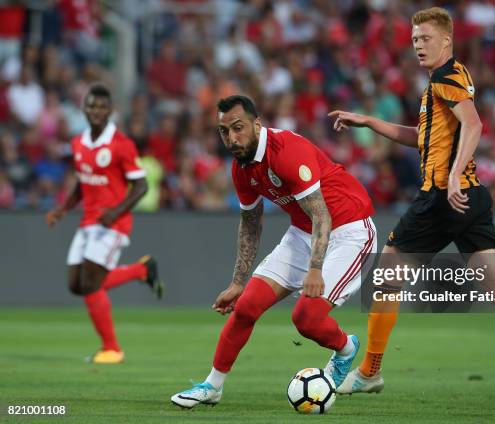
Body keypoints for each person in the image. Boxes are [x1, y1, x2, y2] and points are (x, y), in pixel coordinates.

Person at [328, 7, 495, 398]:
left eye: (425, 39)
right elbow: (420, 137)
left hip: (443, 197)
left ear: (446, 41)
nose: (418, 45)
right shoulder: (447, 80)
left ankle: (370, 371)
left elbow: (474, 124)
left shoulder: (445, 76)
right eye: (415, 39)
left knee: (387, 278)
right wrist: (370, 122)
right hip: (471, 198)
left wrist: (452, 176)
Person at [170, 95, 376, 408]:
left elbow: (322, 214)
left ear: (256, 124)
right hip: (303, 233)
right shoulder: (241, 169)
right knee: (247, 306)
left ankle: (346, 348)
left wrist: (315, 270)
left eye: (238, 128)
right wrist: (238, 282)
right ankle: (212, 386)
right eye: (224, 132)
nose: (232, 138)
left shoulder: (286, 152)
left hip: (348, 230)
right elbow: (250, 224)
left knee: (306, 318)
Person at [46, 83, 164, 364]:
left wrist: (115, 212)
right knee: (76, 284)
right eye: (91, 106)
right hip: (88, 222)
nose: (96, 111)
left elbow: (141, 186)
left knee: (90, 283)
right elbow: (81, 181)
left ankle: (112, 349)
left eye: (101, 107)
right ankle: (140, 270)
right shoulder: (78, 142)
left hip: (113, 224)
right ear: (84, 109)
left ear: (110, 111)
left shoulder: (121, 144)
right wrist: (63, 209)